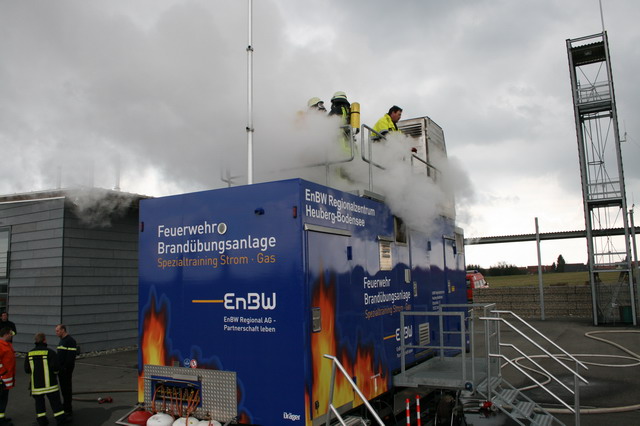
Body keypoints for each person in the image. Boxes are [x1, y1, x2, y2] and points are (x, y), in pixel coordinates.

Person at [24, 333, 67, 426]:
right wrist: (55, 373)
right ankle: (61, 421)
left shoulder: (29, 353)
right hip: (50, 385)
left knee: (39, 405)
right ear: (44, 340)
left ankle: (42, 422)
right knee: (56, 404)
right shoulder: (50, 352)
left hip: (36, 386)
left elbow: (27, 370)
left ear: (35, 341)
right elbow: (56, 367)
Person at [55, 324, 77, 416]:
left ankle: (68, 408)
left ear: (63, 330)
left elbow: (70, 358)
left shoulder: (70, 341)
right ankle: (65, 406)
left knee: (67, 389)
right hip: (61, 369)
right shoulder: (62, 341)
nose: (56, 333)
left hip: (66, 370)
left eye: (57, 331)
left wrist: (64, 368)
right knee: (64, 389)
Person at [0, 327, 15, 426]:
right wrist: (3, 372)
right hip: (3, 378)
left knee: (4, 398)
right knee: (1, 399)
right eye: (10, 334)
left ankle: (2, 417)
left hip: (7, 377)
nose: (12, 335)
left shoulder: (8, 345)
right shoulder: (1, 346)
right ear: (5, 334)